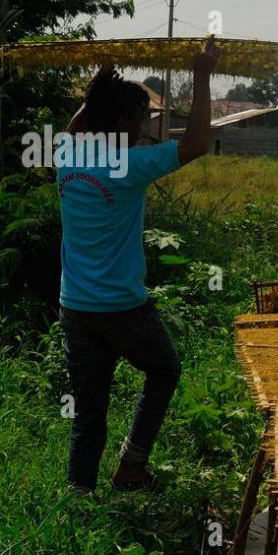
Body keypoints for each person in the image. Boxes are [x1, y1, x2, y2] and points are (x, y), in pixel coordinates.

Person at [56, 35, 219, 495]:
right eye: (142, 120)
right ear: (122, 121)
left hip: (75, 306)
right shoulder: (128, 165)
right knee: (164, 370)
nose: (146, 129)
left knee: (89, 411)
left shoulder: (67, 156)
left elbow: (76, 126)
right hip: (121, 307)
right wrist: (201, 75)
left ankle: (79, 493)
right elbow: (199, 143)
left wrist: (98, 87)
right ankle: (132, 466)